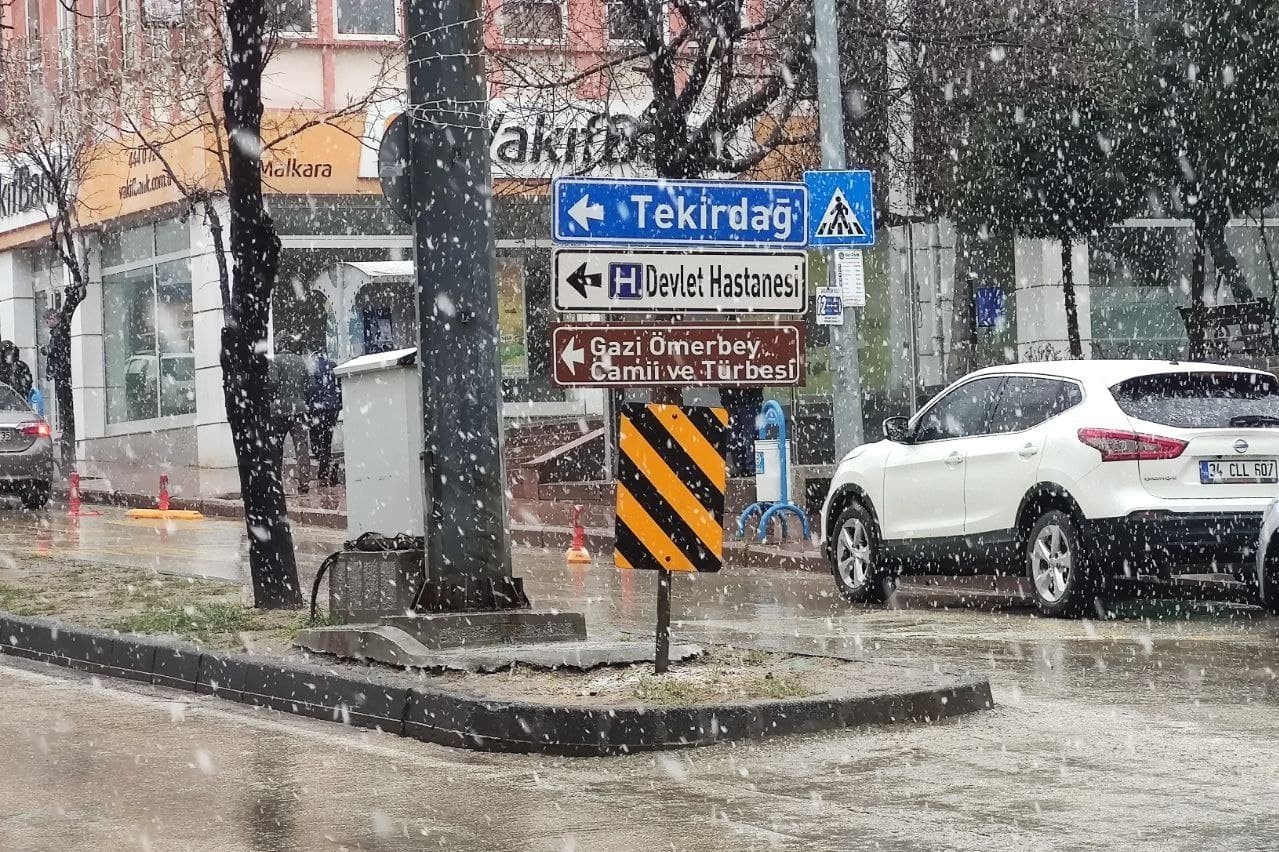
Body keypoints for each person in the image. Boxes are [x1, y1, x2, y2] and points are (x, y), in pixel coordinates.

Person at [269, 351, 314, 495]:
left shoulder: (275, 361)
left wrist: (271, 398)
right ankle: (304, 482)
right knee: (302, 446)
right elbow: (309, 385)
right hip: (299, 409)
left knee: (276, 447)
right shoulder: (301, 361)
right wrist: (302, 399)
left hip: (279, 410)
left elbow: (272, 382)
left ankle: (276, 481)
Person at [307, 353, 342, 487]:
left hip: (317, 408)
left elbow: (310, 389)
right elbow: (339, 386)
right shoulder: (333, 365)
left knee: (315, 436)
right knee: (327, 436)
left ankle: (323, 464)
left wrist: (310, 403)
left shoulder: (312, 368)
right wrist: (339, 403)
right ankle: (326, 462)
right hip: (332, 407)